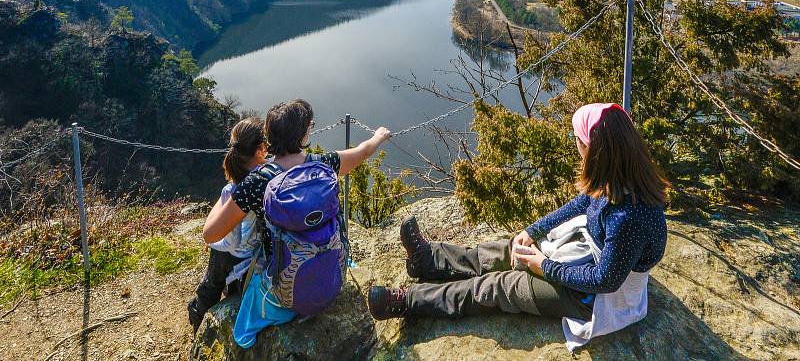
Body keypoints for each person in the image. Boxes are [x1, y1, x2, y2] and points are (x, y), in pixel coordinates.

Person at [367, 102, 668, 351]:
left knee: (497, 287)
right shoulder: (619, 176)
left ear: (595, 150)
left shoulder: (629, 217)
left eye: (577, 139)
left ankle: (406, 301)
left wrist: (544, 266)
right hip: (584, 258)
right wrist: (532, 231)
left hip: (591, 300)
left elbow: (604, 281)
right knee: (508, 250)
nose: (575, 144)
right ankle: (428, 259)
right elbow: (581, 203)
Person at [202, 99, 391, 346]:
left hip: (283, 291)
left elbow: (211, 234)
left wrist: (227, 194)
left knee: (249, 312)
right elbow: (364, 151)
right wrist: (378, 136)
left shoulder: (258, 181)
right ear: (303, 135)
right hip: (331, 279)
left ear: (268, 137)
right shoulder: (324, 164)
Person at [187, 116, 267, 333]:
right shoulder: (265, 179)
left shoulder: (233, 189)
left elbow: (224, 238)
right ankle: (203, 315)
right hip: (250, 252)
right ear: (260, 150)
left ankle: (199, 313)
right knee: (219, 283)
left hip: (229, 253)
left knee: (211, 284)